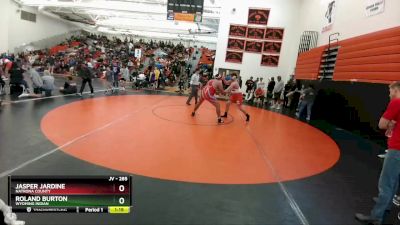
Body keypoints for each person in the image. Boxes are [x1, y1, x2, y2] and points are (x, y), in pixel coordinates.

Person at [355, 81, 400, 225]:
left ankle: (376, 216)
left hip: (396, 149)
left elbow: (381, 124)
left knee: (385, 182)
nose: (389, 94)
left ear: (395, 90)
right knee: (394, 181)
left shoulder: (396, 103)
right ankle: (386, 205)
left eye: (390, 91)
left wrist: (389, 123)